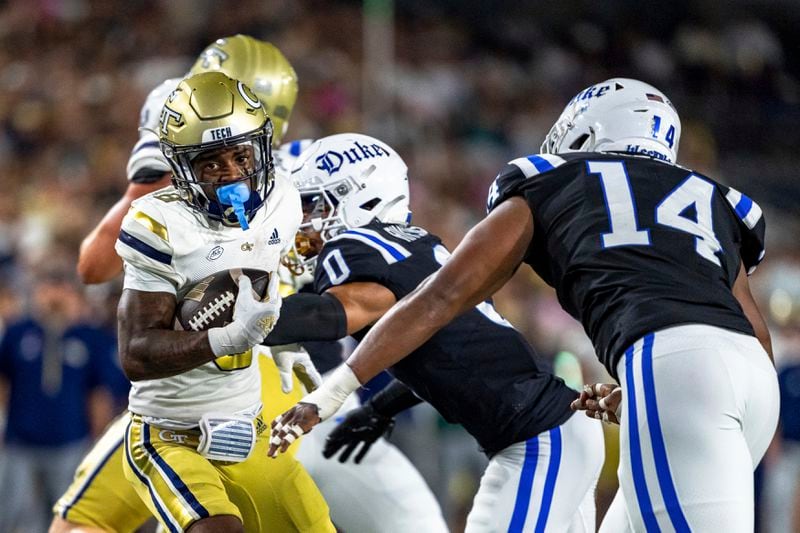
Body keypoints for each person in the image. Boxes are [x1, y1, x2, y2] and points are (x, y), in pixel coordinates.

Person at [270, 79, 781, 532]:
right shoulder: (710, 194)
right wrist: (657, 398)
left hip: (668, 368)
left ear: (586, 133)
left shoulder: (547, 177)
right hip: (753, 380)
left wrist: (334, 390)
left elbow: (443, 296)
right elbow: (752, 329)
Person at [263, 132, 605, 532]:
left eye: (312, 204)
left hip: (539, 438)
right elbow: (441, 341)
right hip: (553, 429)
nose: (303, 220)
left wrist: (244, 319)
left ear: (359, 198)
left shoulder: (353, 246)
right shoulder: (419, 246)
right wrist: (381, 408)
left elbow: (338, 312)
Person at [117, 71, 333, 532]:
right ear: (181, 168)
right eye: (211, 164)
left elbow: (266, 271)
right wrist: (230, 338)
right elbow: (135, 354)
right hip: (169, 435)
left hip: (251, 431)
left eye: (241, 155)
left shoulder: (281, 200)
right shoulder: (157, 223)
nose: (233, 174)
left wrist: (277, 338)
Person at [0, 269, 119, 532]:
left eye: (61, 290)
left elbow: (98, 392)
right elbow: (3, 381)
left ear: (73, 295)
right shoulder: (18, 332)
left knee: (65, 513)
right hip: (20, 442)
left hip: (70, 441)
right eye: (47, 289)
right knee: (14, 514)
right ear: (36, 294)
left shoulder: (89, 336)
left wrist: (95, 440)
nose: (53, 297)